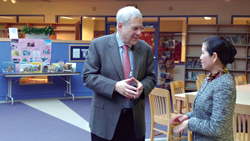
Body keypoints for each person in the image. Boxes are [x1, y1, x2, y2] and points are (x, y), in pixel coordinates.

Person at [82, 6, 156, 141]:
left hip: (135, 123)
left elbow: (151, 77)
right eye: (134, 28)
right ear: (120, 26)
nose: (139, 32)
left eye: (141, 28)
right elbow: (88, 76)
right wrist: (115, 86)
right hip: (105, 122)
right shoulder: (99, 45)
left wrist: (143, 86)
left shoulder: (145, 49)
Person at [170, 35, 237, 140]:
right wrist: (187, 116)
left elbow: (217, 128)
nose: (200, 57)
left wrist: (189, 123)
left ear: (214, 57)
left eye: (203, 53)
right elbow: (205, 111)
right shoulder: (211, 77)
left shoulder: (224, 84)